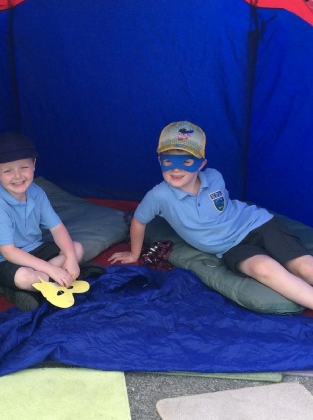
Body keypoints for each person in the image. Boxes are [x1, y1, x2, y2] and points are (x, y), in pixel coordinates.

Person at [109, 120, 313, 309]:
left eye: (186, 162)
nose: (176, 169)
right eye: (168, 161)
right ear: (159, 160)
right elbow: (139, 220)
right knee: (263, 268)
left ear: (201, 164)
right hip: (229, 248)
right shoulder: (158, 196)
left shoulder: (215, 177)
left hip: (258, 224)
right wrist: (134, 253)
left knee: (304, 267)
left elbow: (225, 206)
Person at [0, 132, 84, 311]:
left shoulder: (36, 192)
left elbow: (57, 228)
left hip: (33, 248)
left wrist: (70, 258)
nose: (17, 176)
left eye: (23, 167)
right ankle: (20, 289)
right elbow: (9, 252)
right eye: (8, 171)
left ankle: (40, 285)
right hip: (0, 258)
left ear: (33, 164)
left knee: (76, 249)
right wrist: (52, 270)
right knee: (24, 277)